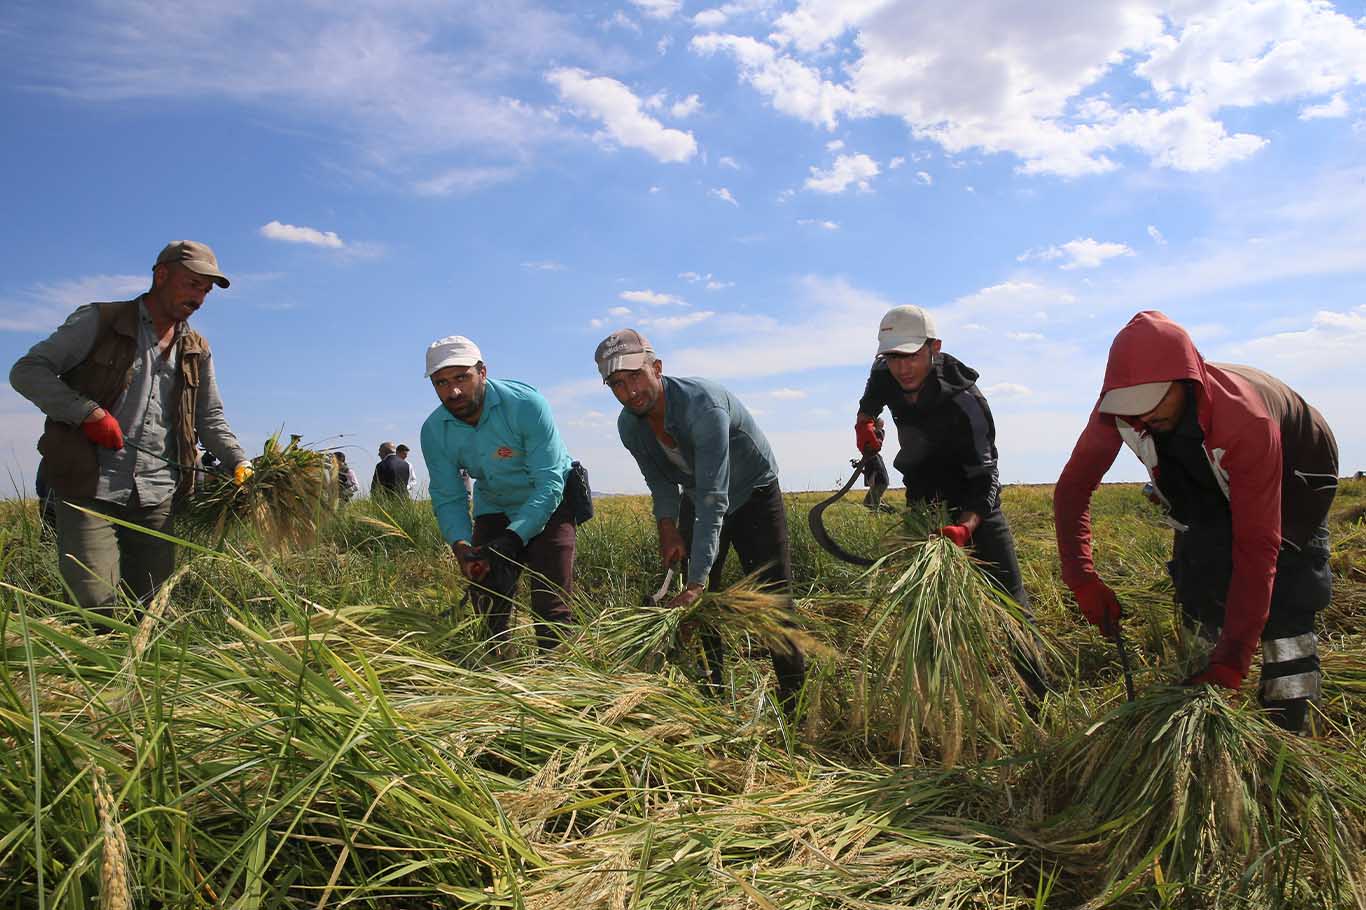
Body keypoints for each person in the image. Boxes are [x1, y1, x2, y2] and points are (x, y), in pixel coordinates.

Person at [1055, 311, 1338, 732]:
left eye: (1151, 401)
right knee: (1200, 577)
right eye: (1129, 406)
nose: (1140, 418)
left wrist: (1234, 657)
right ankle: (1202, 708)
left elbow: (1258, 546)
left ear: (1187, 381)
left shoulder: (1247, 422)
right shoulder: (1123, 410)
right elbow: (1073, 488)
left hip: (1292, 479)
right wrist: (1081, 578)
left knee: (1286, 598)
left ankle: (1289, 728)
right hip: (1204, 478)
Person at [9, 240, 252, 619]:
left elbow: (211, 418)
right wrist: (87, 413)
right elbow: (27, 371)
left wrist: (239, 462)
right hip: (89, 484)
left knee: (151, 610)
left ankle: (137, 677)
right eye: (192, 284)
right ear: (161, 275)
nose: (199, 297)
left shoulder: (196, 348)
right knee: (95, 605)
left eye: (205, 290)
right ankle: (91, 672)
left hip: (157, 494)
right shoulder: (100, 321)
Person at [596, 328, 806, 715]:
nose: (629, 392)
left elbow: (716, 498)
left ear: (657, 368)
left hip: (753, 493)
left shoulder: (703, 406)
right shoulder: (630, 426)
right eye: (617, 384)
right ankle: (714, 696)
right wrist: (667, 527)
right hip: (699, 494)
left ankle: (795, 704)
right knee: (701, 606)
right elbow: (660, 481)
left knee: (773, 600)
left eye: (636, 376)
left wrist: (695, 580)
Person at [854, 305, 1046, 702]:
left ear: (934, 348)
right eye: (892, 357)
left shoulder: (967, 403)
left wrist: (966, 527)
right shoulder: (883, 375)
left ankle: (1037, 699)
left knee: (1011, 604)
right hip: (922, 503)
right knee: (923, 609)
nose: (901, 368)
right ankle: (937, 698)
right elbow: (871, 400)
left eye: (911, 355)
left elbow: (987, 477)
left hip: (975, 506)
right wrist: (864, 424)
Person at [420, 335, 578, 653]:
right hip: (495, 503)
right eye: (441, 383)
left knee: (550, 603)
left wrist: (513, 538)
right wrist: (462, 547)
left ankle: (559, 683)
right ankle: (497, 675)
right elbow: (448, 496)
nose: (453, 391)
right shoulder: (435, 431)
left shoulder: (525, 405)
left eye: (462, 377)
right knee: (488, 600)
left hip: (549, 502)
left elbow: (549, 482)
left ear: (483, 371)